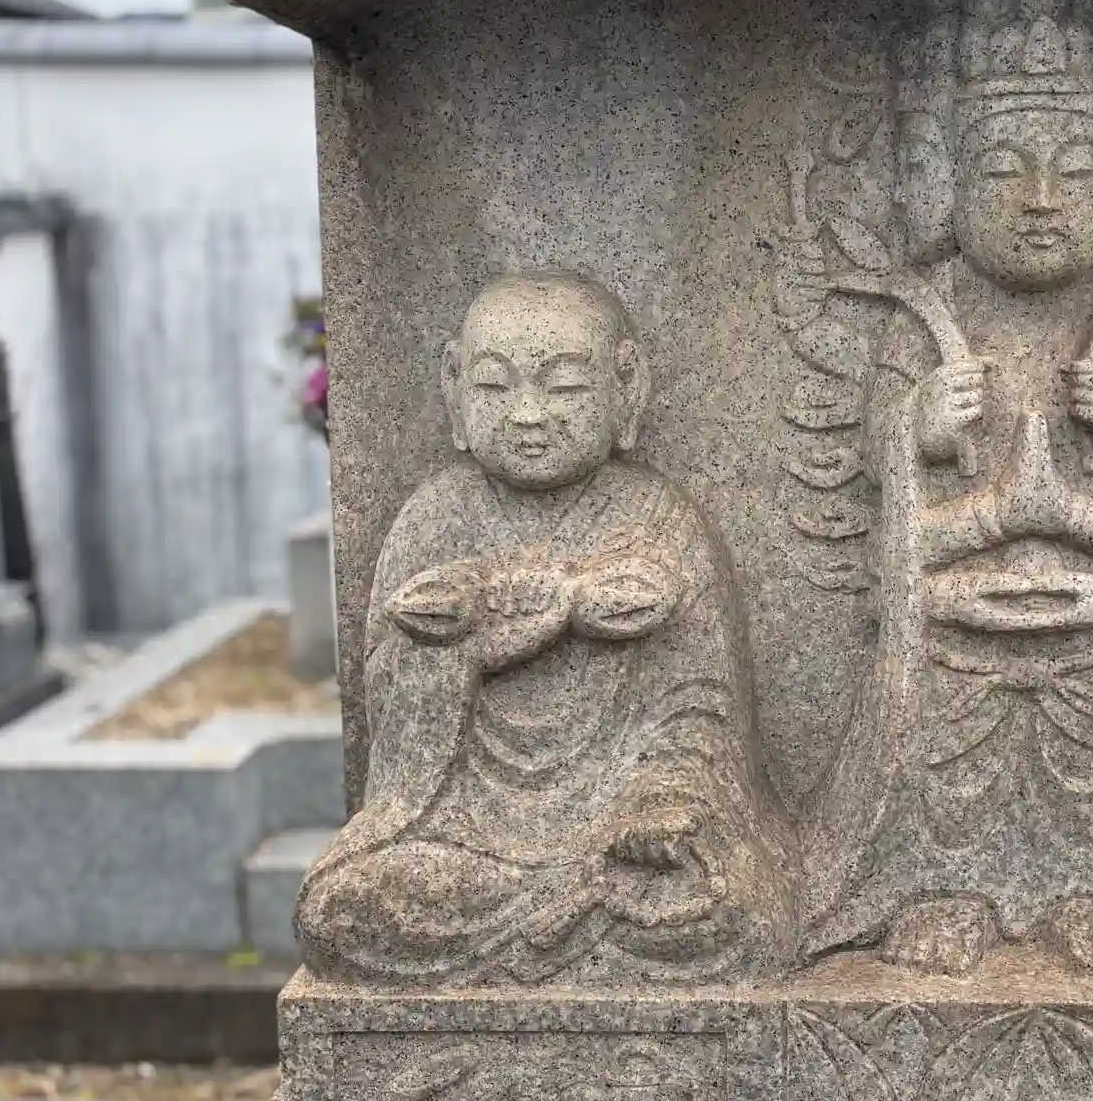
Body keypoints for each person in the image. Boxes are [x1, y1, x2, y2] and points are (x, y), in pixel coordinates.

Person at [800, 0, 1093, 975]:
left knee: (1092, 751)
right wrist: (913, 432)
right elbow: (882, 470)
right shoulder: (927, 314)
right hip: (956, 611)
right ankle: (942, 885)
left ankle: (1091, 885)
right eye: (1003, 170)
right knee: (949, 744)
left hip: (1090, 606)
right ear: (940, 179)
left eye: (1075, 172)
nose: (1041, 201)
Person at [297, 272, 790, 985]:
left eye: (563, 387)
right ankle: (557, 930)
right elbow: (392, 707)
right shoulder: (434, 519)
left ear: (626, 390)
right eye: (495, 387)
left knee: (736, 912)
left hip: (618, 839)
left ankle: (557, 925)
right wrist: (471, 651)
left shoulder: (659, 521)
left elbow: (698, 710)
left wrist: (663, 801)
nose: (527, 415)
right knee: (342, 913)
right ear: (454, 389)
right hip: (462, 841)